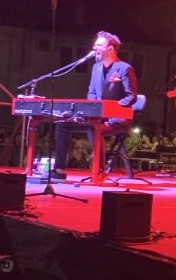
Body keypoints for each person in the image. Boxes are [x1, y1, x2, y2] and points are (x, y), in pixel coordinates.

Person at [52, 31, 138, 180]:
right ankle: (59, 170)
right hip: (96, 116)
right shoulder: (96, 68)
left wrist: (109, 109)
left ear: (110, 49)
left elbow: (131, 96)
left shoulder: (125, 68)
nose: (94, 47)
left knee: (94, 127)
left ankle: (99, 171)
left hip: (117, 118)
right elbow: (91, 92)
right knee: (62, 124)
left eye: (99, 45)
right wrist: (93, 110)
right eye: (95, 45)